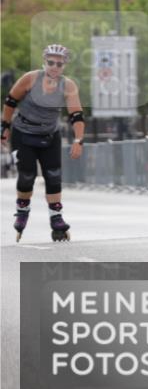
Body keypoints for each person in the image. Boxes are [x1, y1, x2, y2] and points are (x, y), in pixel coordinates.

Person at [0, 44, 85, 241]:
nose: (54, 67)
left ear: (64, 66)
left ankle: (56, 218)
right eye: (50, 63)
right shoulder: (30, 78)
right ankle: (22, 210)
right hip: (23, 134)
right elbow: (11, 101)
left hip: (49, 135)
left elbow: (76, 115)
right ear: (44, 62)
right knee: (27, 175)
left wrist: (78, 140)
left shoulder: (68, 86)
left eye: (59, 64)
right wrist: (4, 127)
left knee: (53, 176)